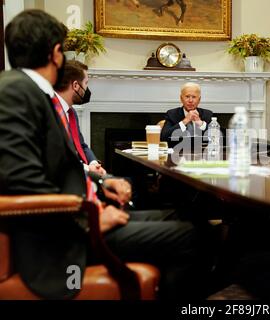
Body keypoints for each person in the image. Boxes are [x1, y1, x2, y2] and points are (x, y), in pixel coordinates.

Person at [0, 9, 211, 300]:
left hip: (75, 218)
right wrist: (92, 220)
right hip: (61, 242)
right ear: (56, 53)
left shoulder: (33, 93)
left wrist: (100, 183)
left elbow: (53, 166)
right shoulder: (14, 93)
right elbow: (22, 180)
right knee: (196, 237)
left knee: (187, 218)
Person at [54, 60, 106, 176]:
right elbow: (58, 156)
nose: (87, 89)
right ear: (76, 85)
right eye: (86, 83)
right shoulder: (51, 111)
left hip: (81, 170)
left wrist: (93, 163)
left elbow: (81, 145)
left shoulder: (71, 112)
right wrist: (88, 170)